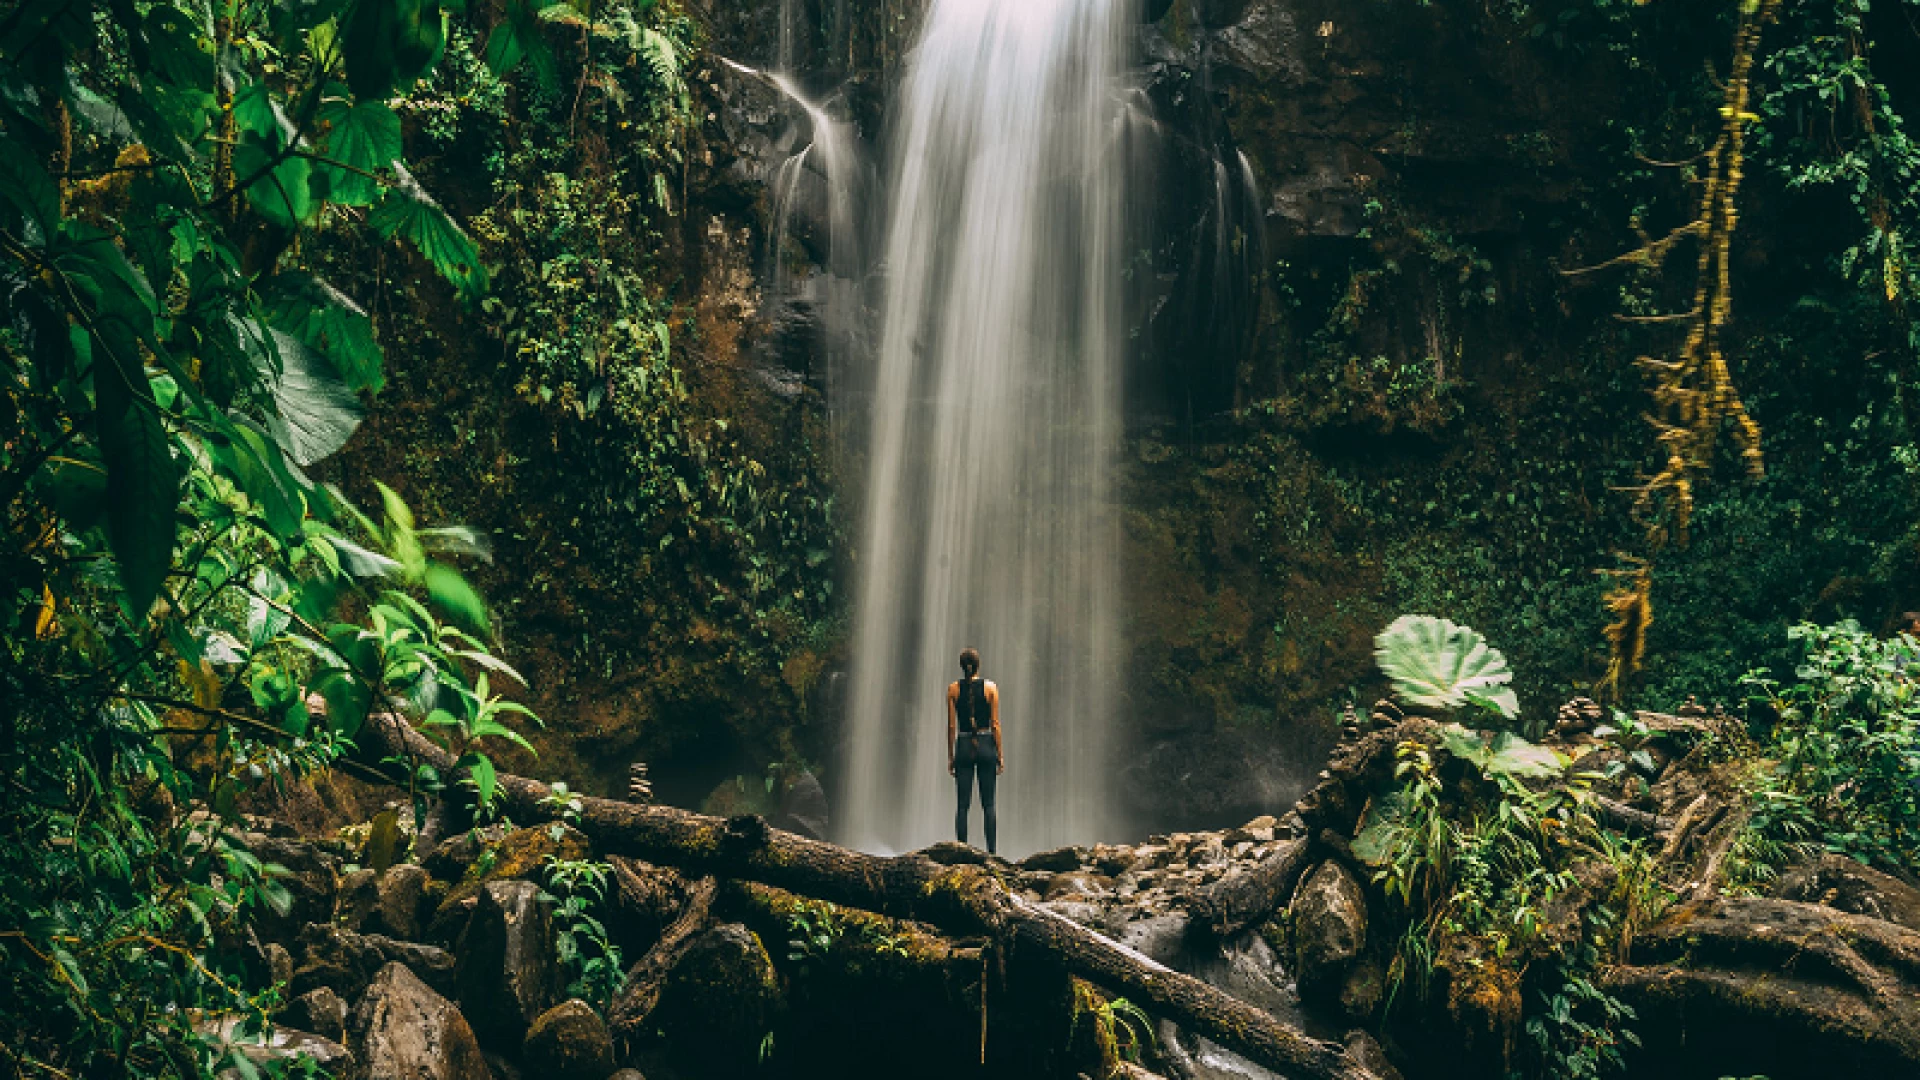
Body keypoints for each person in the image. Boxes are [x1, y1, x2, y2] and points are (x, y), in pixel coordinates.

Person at [947, 647, 1003, 854]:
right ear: (978, 665)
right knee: (988, 804)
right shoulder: (991, 688)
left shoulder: (953, 689)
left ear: (962, 667)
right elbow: (995, 724)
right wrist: (1000, 754)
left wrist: (951, 756)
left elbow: (952, 727)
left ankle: (962, 852)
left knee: (963, 805)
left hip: (963, 744)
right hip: (986, 743)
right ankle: (992, 853)